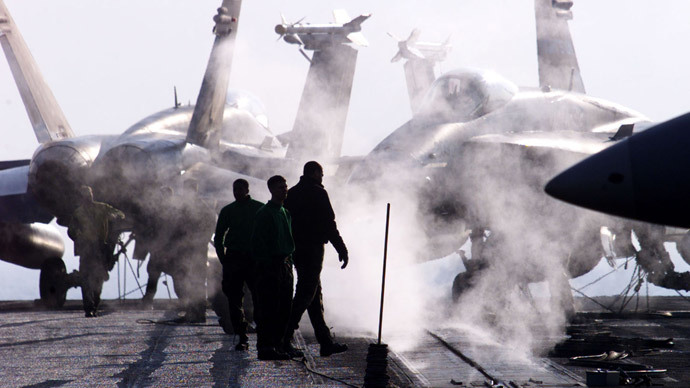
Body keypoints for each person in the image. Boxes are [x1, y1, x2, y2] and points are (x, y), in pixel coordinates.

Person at [283, 161, 349, 357]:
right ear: (313, 173)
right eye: (321, 174)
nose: (322, 178)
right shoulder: (319, 193)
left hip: (296, 249)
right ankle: (284, 338)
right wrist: (341, 248)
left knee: (313, 296)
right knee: (305, 293)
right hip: (313, 248)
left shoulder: (292, 193)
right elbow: (329, 223)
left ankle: (325, 342)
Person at [214, 179, 264, 350]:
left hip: (253, 258)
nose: (237, 192)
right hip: (234, 258)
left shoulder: (259, 208)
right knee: (234, 299)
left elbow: (268, 232)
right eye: (235, 189)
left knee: (259, 296)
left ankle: (262, 333)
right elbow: (218, 237)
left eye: (240, 189)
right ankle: (242, 335)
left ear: (247, 190)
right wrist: (224, 259)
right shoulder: (228, 211)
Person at [251, 175, 294, 360]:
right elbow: (258, 243)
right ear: (271, 190)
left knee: (285, 308)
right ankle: (266, 347)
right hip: (270, 266)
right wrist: (268, 263)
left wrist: (288, 262)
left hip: (285, 265)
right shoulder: (264, 213)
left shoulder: (285, 212)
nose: (284, 190)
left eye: (285, 186)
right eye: (279, 187)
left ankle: (279, 345)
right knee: (269, 308)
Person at [67, 185, 125, 317]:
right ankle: (89, 308)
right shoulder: (80, 213)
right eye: (86, 195)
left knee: (96, 278)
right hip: (89, 249)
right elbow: (71, 231)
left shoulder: (101, 208)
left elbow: (120, 214)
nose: (88, 197)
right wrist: (78, 236)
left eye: (88, 194)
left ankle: (94, 306)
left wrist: (114, 217)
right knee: (88, 279)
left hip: (98, 248)